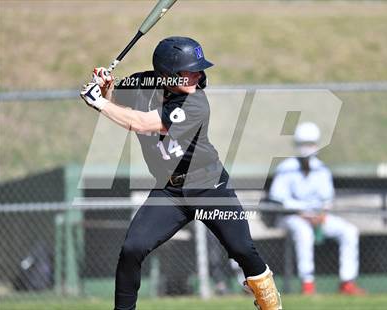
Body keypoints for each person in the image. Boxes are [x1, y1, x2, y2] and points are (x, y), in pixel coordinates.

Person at [81, 36, 282, 310]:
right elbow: (118, 102)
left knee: (241, 249)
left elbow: (139, 123)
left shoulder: (196, 104)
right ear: (166, 74)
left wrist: (99, 103)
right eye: (190, 70)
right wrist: (105, 87)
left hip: (208, 186)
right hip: (169, 191)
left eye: (199, 69)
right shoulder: (143, 82)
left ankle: (269, 302)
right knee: (132, 249)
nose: (199, 75)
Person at [268, 122, 365, 295]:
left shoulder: (321, 169)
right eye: (303, 144)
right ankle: (308, 284)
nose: (307, 148)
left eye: (310, 144)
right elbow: (278, 199)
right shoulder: (286, 168)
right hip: (291, 218)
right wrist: (302, 213)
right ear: (297, 145)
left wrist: (321, 214)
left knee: (349, 231)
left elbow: (327, 199)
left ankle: (347, 282)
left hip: (318, 217)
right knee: (304, 233)